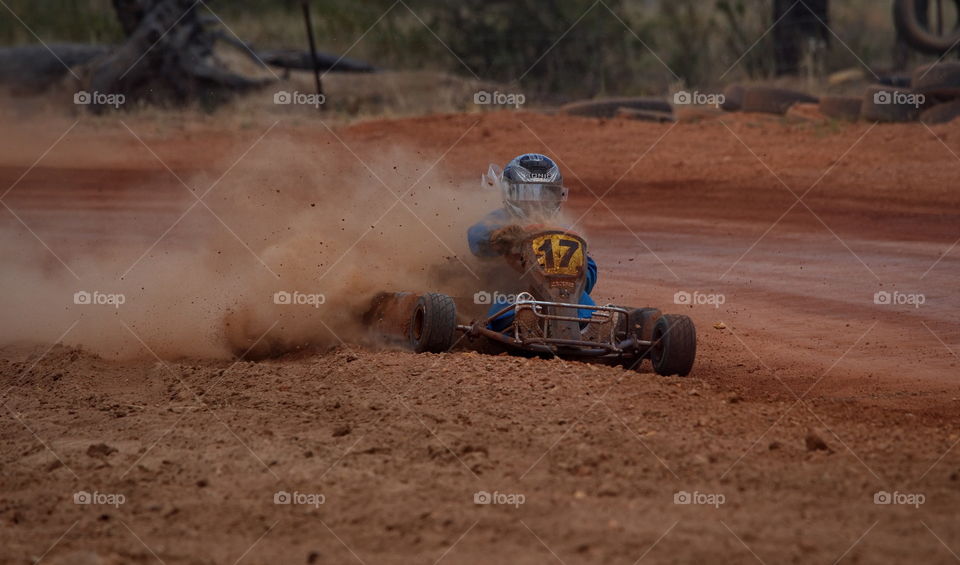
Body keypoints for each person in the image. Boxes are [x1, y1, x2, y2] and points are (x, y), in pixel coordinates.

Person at [467, 153, 598, 330]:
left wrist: (579, 269)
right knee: (512, 301)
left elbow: (588, 277)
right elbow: (475, 236)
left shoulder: (562, 228)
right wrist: (497, 237)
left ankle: (592, 323)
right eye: (527, 193)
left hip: (561, 293)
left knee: (587, 308)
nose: (537, 202)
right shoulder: (502, 218)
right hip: (512, 288)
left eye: (546, 194)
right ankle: (519, 323)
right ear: (509, 192)